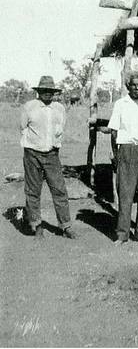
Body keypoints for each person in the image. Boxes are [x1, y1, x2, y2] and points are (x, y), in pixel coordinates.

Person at [20, 76, 77, 239]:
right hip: (32, 154)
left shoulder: (59, 108)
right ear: (39, 92)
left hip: (52, 154)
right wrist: (32, 146)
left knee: (59, 190)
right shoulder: (29, 107)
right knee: (33, 191)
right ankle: (36, 225)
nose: (47, 94)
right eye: (44, 91)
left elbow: (61, 128)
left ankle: (65, 226)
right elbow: (23, 128)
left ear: (54, 93)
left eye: (50, 91)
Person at [108, 71, 138, 244]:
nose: (137, 88)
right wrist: (116, 157)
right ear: (128, 87)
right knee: (126, 194)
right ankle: (122, 234)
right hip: (127, 151)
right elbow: (113, 132)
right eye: (133, 85)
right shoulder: (121, 104)